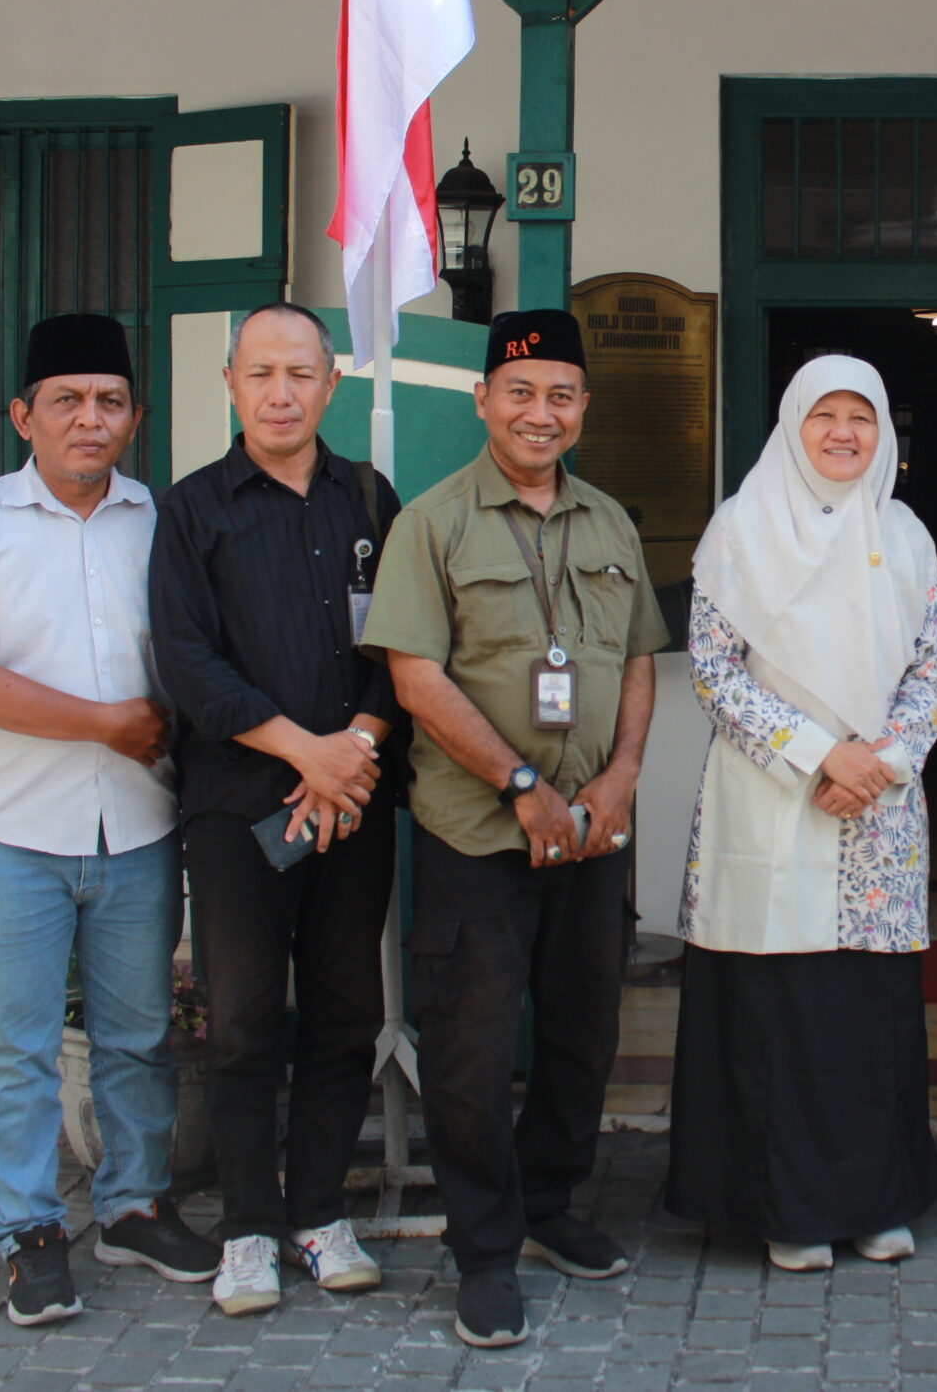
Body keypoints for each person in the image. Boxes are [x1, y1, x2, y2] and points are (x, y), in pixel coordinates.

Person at [362, 307, 668, 1350]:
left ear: (583, 410)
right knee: (473, 1046)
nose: (542, 414)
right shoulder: (435, 522)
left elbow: (634, 658)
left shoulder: (611, 522)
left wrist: (622, 776)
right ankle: (484, 1250)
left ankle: (549, 1205)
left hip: (591, 830)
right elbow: (414, 675)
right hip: (480, 830)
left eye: (563, 396)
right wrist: (521, 783)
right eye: (523, 393)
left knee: (583, 1028)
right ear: (485, 400)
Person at [0, 312, 220, 1327]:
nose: (91, 420)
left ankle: (132, 1206)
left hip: (132, 829)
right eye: (67, 402)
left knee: (137, 1037)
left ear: (134, 415)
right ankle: (28, 1230)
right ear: (23, 416)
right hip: (11, 834)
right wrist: (107, 726)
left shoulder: (161, 521)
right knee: (13, 1047)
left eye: (111, 402)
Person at [664, 356, 937, 1272]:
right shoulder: (740, 528)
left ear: (883, 433)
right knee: (774, 1011)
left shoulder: (905, 536)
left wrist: (881, 762)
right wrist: (819, 754)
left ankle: (876, 1201)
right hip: (771, 804)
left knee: (866, 1017)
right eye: (823, 414)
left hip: (878, 809)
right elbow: (715, 670)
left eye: (859, 417)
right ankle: (783, 1207)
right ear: (792, 424)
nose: (841, 433)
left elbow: (932, 666)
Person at [150, 302, 406, 1317]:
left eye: (301, 373)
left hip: (354, 800)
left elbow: (406, 651)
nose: (282, 393)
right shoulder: (192, 510)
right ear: (230, 384)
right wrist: (306, 749)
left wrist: (359, 749)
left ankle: (318, 1214)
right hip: (237, 807)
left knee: (347, 1014)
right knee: (246, 1021)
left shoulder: (373, 503)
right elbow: (185, 661)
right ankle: (248, 1229)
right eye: (261, 374)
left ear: (330, 384)